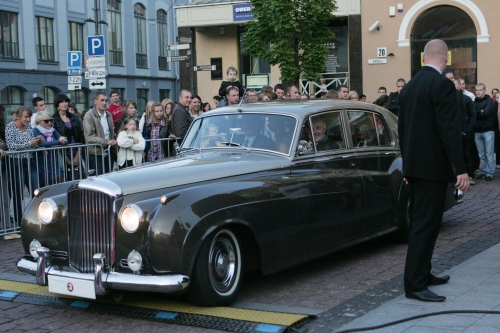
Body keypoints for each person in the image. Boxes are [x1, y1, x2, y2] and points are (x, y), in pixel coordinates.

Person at [398, 39, 469, 303]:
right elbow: (449, 130)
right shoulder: (441, 84)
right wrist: (460, 169)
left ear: (423, 57)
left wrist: (407, 165)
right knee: (425, 225)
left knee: (423, 223)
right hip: (433, 168)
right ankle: (415, 284)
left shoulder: (410, 86)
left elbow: (402, 130)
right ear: (446, 57)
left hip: (416, 167)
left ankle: (423, 274)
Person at [5, 106, 42, 229]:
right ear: (19, 116)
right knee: (18, 193)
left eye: (29, 117)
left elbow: (32, 146)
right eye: (26, 117)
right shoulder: (10, 127)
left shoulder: (29, 127)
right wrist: (29, 144)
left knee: (36, 190)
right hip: (16, 162)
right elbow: (10, 146)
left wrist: (38, 142)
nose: (28, 119)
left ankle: (36, 217)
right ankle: (19, 220)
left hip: (29, 161)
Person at [83, 92, 117, 175]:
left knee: (109, 177)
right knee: (98, 179)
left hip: (108, 151)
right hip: (95, 153)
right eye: (102, 100)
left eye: (106, 100)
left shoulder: (108, 115)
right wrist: (106, 142)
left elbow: (111, 132)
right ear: (95, 101)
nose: (104, 103)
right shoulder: (89, 115)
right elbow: (89, 136)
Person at [32, 111, 68, 186]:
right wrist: (58, 141)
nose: (49, 123)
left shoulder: (52, 130)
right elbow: (42, 144)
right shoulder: (35, 131)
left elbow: (64, 140)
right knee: (45, 188)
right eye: (46, 121)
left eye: (50, 120)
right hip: (40, 164)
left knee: (61, 183)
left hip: (53, 163)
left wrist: (63, 141)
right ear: (39, 122)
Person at [52, 94, 84, 174]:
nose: (65, 104)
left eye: (66, 101)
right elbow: (55, 138)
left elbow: (81, 135)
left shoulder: (74, 117)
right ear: (57, 104)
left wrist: (77, 156)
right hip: (63, 153)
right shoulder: (53, 119)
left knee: (79, 177)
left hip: (77, 151)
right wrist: (67, 159)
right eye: (62, 102)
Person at [473, 83, 495, 180]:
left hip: (488, 130)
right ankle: (485, 171)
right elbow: (473, 115)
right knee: (481, 154)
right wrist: (480, 112)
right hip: (477, 131)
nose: (478, 92)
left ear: (484, 91)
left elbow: (486, 113)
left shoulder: (489, 101)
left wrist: (479, 113)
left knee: (489, 153)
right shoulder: (474, 102)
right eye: (477, 90)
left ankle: (489, 173)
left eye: (480, 90)